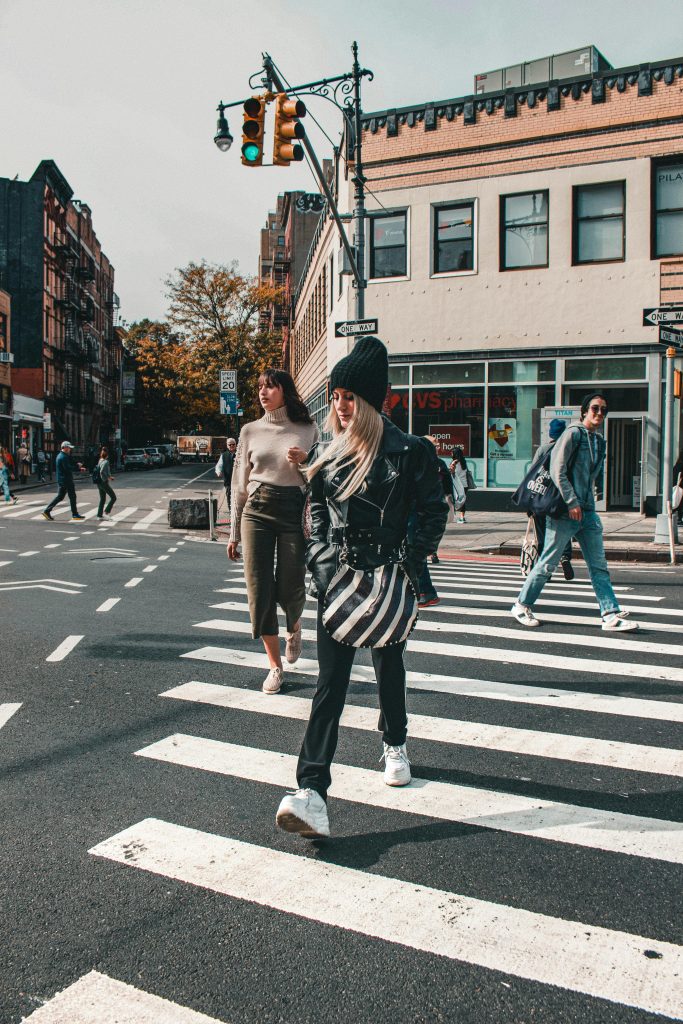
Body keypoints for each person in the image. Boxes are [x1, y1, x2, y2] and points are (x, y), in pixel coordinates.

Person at [275, 336, 448, 840]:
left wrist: (407, 566)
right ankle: (311, 793)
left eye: (350, 396)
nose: (340, 405)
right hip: (342, 584)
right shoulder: (327, 452)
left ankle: (395, 742)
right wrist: (327, 571)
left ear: (373, 400)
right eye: (336, 395)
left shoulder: (411, 452)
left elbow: (433, 514)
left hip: (390, 583)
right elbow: (317, 517)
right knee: (330, 686)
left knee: (389, 669)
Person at [511, 393, 639, 632]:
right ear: (584, 411)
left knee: (598, 565)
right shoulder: (573, 434)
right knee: (548, 562)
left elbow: (592, 475)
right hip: (565, 512)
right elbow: (557, 469)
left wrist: (592, 497)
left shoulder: (599, 441)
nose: (599, 413)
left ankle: (609, 614)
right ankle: (521, 604)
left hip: (587, 512)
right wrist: (571, 501)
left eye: (603, 410)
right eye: (595, 408)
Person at [227, 369, 319, 694]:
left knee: (291, 584)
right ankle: (275, 667)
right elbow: (239, 484)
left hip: (293, 508)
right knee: (258, 589)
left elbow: (320, 477)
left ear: (285, 391)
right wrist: (233, 531)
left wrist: (306, 462)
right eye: (260, 387)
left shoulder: (308, 429)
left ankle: (294, 625)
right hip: (257, 510)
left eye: (270, 386)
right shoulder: (250, 430)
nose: (263, 392)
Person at [529, 418, 575, 582]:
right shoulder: (569, 450)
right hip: (562, 498)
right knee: (563, 530)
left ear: (551, 433)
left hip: (543, 497)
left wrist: (530, 501)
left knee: (542, 533)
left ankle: (544, 569)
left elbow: (532, 474)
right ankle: (565, 556)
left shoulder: (543, 450)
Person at [41, 441, 85, 521]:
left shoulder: (61, 455)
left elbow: (70, 462)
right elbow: (68, 468)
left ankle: (47, 511)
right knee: (72, 496)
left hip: (62, 480)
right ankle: (74, 514)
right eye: (69, 448)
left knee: (60, 497)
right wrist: (78, 468)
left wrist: (77, 464)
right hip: (66, 480)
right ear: (64, 448)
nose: (70, 449)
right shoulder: (63, 457)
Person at [215, 437, 237, 513]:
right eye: (229, 444)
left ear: (236, 445)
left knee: (238, 498)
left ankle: (238, 512)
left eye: (233, 444)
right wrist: (218, 472)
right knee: (229, 497)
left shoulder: (240, 454)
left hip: (238, 481)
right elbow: (219, 466)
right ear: (227, 446)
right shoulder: (224, 455)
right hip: (228, 481)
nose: (231, 446)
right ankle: (231, 512)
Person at [95, 445, 117, 519]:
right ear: (107, 455)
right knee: (113, 497)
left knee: (102, 499)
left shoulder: (100, 460)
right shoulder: (106, 462)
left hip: (98, 483)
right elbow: (102, 472)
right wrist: (108, 478)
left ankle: (99, 515)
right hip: (103, 482)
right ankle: (106, 512)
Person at [449, 448, 469, 523]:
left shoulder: (454, 462)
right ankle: (462, 517)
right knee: (462, 501)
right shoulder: (463, 461)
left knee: (452, 500)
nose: (451, 454)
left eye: (452, 452)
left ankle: (449, 516)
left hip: (457, 485)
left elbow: (452, 471)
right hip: (464, 484)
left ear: (455, 453)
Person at [673, 448, 683, 526]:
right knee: (680, 503)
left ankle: (678, 518)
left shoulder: (676, 465)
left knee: (678, 502)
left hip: (677, 487)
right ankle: (679, 518)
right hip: (681, 487)